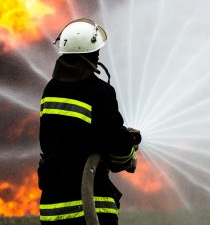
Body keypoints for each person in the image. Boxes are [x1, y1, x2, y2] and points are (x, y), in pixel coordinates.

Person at [37, 18, 142, 224]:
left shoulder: (50, 91)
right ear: (93, 55)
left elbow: (66, 137)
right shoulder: (100, 92)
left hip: (52, 205)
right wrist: (129, 146)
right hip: (92, 205)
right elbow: (118, 155)